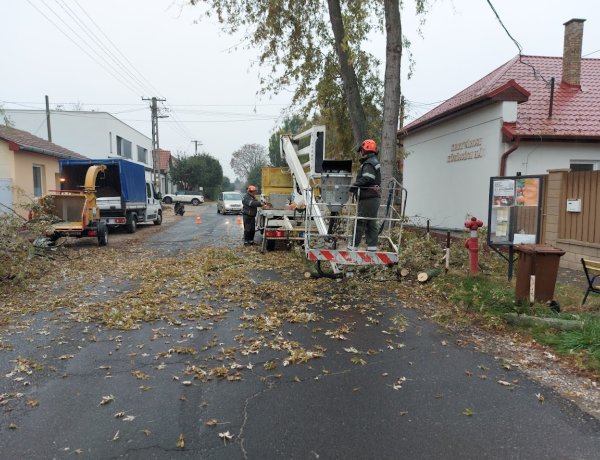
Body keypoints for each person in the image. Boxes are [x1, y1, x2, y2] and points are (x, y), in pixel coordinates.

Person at [348, 138, 381, 251]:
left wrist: (353, 187)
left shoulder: (369, 163)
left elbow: (367, 178)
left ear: (365, 150)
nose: (361, 153)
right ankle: (372, 248)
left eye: (361, 151)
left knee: (360, 222)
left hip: (368, 198)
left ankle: (352, 247)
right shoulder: (373, 161)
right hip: (373, 198)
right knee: (371, 223)